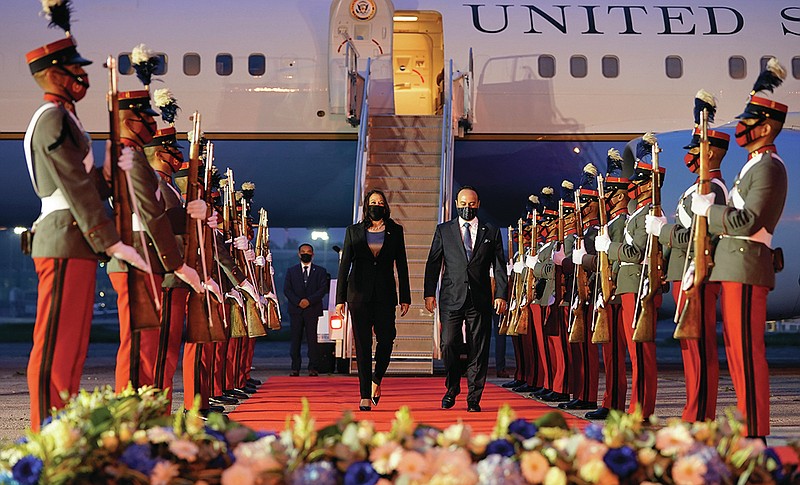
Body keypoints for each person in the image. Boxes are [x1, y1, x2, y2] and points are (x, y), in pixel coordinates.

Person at [24, 32, 147, 430]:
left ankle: (63, 424)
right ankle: (47, 430)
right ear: (52, 74)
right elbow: (73, 185)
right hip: (64, 234)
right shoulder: (53, 119)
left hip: (74, 239)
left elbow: (86, 181)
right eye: (73, 67)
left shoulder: (66, 118)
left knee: (73, 345)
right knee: (56, 345)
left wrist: (109, 175)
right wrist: (109, 239)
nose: (81, 74)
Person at [691, 58, 788, 440]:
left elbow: (747, 222)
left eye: (748, 121)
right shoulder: (751, 166)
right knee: (736, 353)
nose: (741, 127)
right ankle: (748, 427)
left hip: (747, 267)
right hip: (733, 269)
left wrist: (709, 212)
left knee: (747, 354)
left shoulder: (768, 168)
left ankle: (755, 432)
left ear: (765, 127)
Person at [646, 90, 729, 423]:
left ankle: (702, 411)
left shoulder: (714, 190)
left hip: (699, 274)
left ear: (711, 152)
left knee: (700, 346)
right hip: (684, 274)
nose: (691, 156)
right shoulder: (695, 190)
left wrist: (662, 232)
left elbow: (699, 237)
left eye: (697, 149)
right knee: (689, 346)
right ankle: (694, 408)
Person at [424, 186, 507, 412]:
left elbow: (499, 266)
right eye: (463, 203)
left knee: (477, 349)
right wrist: (429, 293)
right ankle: (452, 388)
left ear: (478, 204)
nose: (467, 207)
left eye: (471, 203)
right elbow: (433, 263)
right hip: (451, 297)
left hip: (479, 299)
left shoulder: (491, 231)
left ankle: (473, 398)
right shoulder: (444, 230)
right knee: (448, 343)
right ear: (457, 204)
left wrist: (500, 294)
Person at [336, 190, 411, 411]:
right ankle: (364, 395)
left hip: (385, 294)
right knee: (362, 344)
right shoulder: (354, 231)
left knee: (387, 338)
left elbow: (402, 265)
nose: (376, 205)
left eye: (380, 202)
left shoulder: (395, 231)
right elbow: (344, 267)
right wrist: (340, 299)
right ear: (366, 206)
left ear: (385, 206)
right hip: (358, 295)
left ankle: (376, 380)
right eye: (372, 202)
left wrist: (405, 296)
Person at [285, 243, 330, 377]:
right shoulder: (291, 271)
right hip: (296, 310)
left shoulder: (320, 271)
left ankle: (313, 368)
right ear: (299, 254)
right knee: (295, 340)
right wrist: (299, 302)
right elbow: (287, 290)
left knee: (312, 340)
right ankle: (295, 368)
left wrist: (309, 301)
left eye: (308, 251)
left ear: (313, 254)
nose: (306, 253)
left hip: (312, 309)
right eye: (303, 251)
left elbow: (322, 289)